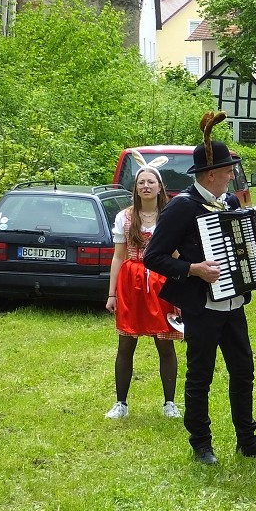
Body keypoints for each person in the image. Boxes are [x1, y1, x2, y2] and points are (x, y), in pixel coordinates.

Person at [144, 112, 256, 465]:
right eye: (227, 171)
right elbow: (153, 256)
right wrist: (192, 268)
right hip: (201, 306)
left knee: (243, 370)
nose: (231, 175)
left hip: (233, 303)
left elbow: (241, 246)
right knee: (200, 374)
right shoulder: (182, 207)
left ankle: (247, 439)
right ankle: (201, 444)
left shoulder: (231, 203)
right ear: (210, 175)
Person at [104, 158, 182, 420]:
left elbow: (177, 254)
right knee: (126, 344)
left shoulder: (170, 216)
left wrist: (180, 289)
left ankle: (169, 403)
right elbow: (118, 256)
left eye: (151, 182)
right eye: (141, 182)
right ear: (135, 188)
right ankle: (121, 404)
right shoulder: (124, 217)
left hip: (161, 280)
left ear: (160, 187)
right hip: (132, 282)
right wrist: (112, 293)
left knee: (165, 343)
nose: (146, 186)